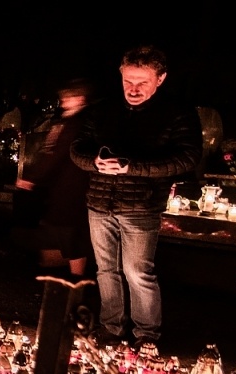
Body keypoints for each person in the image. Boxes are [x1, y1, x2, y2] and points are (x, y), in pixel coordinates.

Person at [71, 46, 202, 345]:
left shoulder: (177, 114)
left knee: (138, 272)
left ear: (161, 79)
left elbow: (187, 157)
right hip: (99, 202)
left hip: (142, 206)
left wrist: (133, 167)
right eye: (128, 80)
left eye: (142, 82)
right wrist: (94, 162)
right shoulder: (103, 110)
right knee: (106, 270)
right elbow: (77, 149)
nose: (134, 88)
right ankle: (111, 328)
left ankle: (146, 337)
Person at [19, 80, 93, 280]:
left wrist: (33, 178)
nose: (63, 103)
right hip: (65, 185)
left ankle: (75, 278)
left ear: (80, 98)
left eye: (68, 98)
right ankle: (61, 273)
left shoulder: (75, 123)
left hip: (71, 184)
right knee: (62, 228)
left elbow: (56, 153)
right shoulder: (73, 121)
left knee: (70, 231)